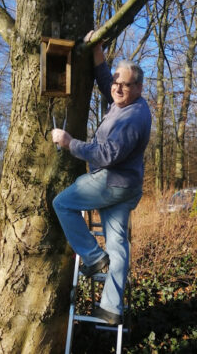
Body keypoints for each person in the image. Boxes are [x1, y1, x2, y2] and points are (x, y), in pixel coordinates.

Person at [51, 30, 152, 325]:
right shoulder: (124, 98)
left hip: (112, 181)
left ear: (140, 88)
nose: (118, 88)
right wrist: (98, 53)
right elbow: (108, 82)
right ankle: (111, 307)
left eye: (126, 85)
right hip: (128, 185)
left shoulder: (132, 118)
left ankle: (93, 256)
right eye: (117, 82)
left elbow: (106, 155)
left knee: (63, 204)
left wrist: (69, 142)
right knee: (118, 243)